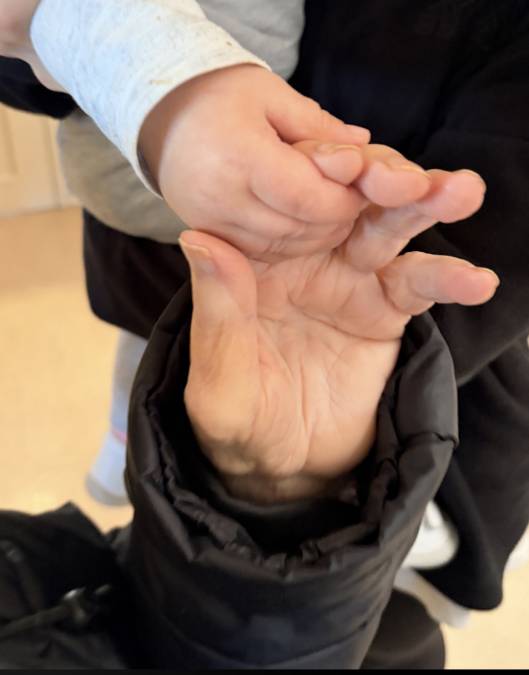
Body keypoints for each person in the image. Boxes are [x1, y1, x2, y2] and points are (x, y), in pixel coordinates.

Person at [1, 0, 528, 668]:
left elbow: (491, 253)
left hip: (401, 367)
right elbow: (29, 66)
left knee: (392, 614)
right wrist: (118, 58)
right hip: (191, 344)